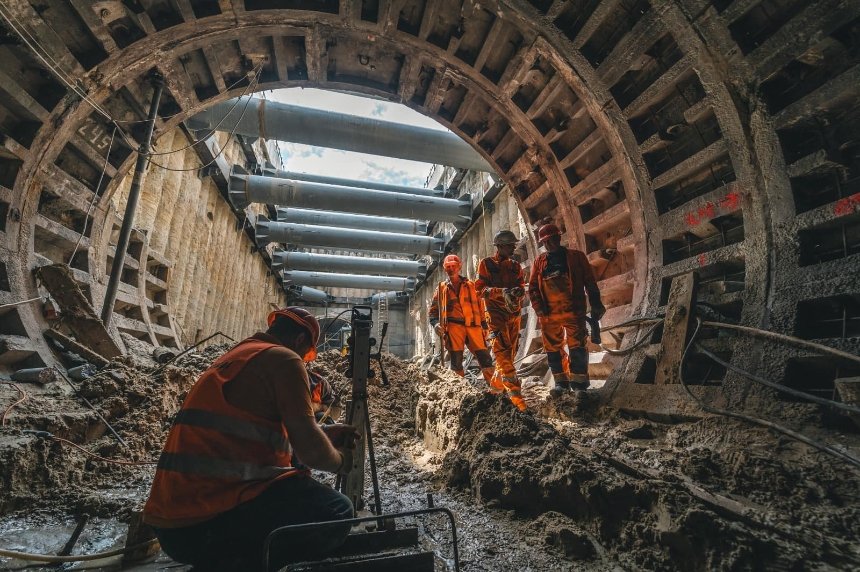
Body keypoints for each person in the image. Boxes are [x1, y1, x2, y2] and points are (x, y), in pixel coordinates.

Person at [143, 307, 359, 570]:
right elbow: (311, 453)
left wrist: (323, 434)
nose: (305, 361)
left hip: (172, 523)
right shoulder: (285, 360)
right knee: (337, 513)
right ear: (300, 341)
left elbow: (249, 433)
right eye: (306, 355)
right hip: (206, 524)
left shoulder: (235, 357)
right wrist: (342, 462)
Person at [528, 223, 605, 397]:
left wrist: (596, 304)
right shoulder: (539, 262)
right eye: (545, 241)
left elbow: (589, 282)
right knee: (553, 349)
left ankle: (579, 385)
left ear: (559, 237)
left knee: (577, 346)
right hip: (549, 315)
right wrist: (539, 309)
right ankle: (561, 383)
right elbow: (533, 288)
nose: (549, 243)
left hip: (574, 311)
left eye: (552, 239)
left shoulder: (576, 257)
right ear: (542, 243)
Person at [475, 230, 527, 411]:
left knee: (509, 355)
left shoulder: (515, 266)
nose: (514, 247)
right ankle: (518, 401)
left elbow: (521, 286)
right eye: (511, 245)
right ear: (501, 246)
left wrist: (518, 293)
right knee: (503, 355)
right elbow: (479, 290)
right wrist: (500, 292)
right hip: (496, 316)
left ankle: (496, 391)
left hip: (513, 315)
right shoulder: (486, 264)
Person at [428, 254, 496, 384]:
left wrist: (485, 326)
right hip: (454, 328)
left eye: (454, 266)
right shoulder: (441, 288)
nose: (451, 269)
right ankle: (460, 390)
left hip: (474, 327)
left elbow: (481, 307)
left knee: (485, 358)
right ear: (444, 269)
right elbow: (433, 312)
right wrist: (436, 324)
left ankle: (495, 389)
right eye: (448, 267)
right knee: (456, 360)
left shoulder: (471, 285)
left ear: (459, 266)